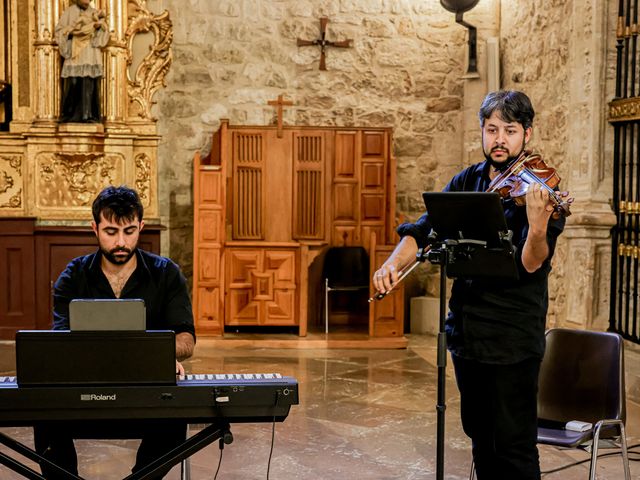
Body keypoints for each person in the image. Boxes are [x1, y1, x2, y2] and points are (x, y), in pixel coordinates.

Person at [372, 90, 566, 480]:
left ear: (527, 135)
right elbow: (423, 229)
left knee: (513, 446)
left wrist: (538, 224)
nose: (499, 139)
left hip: (512, 337)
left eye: (509, 131)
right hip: (467, 333)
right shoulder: (468, 180)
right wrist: (392, 263)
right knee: (479, 436)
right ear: (481, 131)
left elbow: (531, 262)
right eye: (492, 129)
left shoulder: (540, 187)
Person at [34, 185, 196, 479]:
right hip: (84, 389)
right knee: (45, 417)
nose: (121, 241)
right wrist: (140, 353)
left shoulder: (166, 274)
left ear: (141, 227)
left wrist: (157, 354)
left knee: (175, 419)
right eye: (110, 232)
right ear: (94, 228)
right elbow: (63, 342)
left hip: (147, 391)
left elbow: (186, 339)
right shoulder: (73, 276)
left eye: (129, 231)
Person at [55, 0, 109, 123]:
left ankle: (89, 115)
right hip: (75, 51)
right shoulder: (69, 12)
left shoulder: (95, 13)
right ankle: (69, 115)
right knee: (73, 82)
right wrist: (71, 32)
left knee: (88, 82)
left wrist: (99, 28)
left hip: (90, 51)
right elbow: (59, 32)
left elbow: (103, 37)